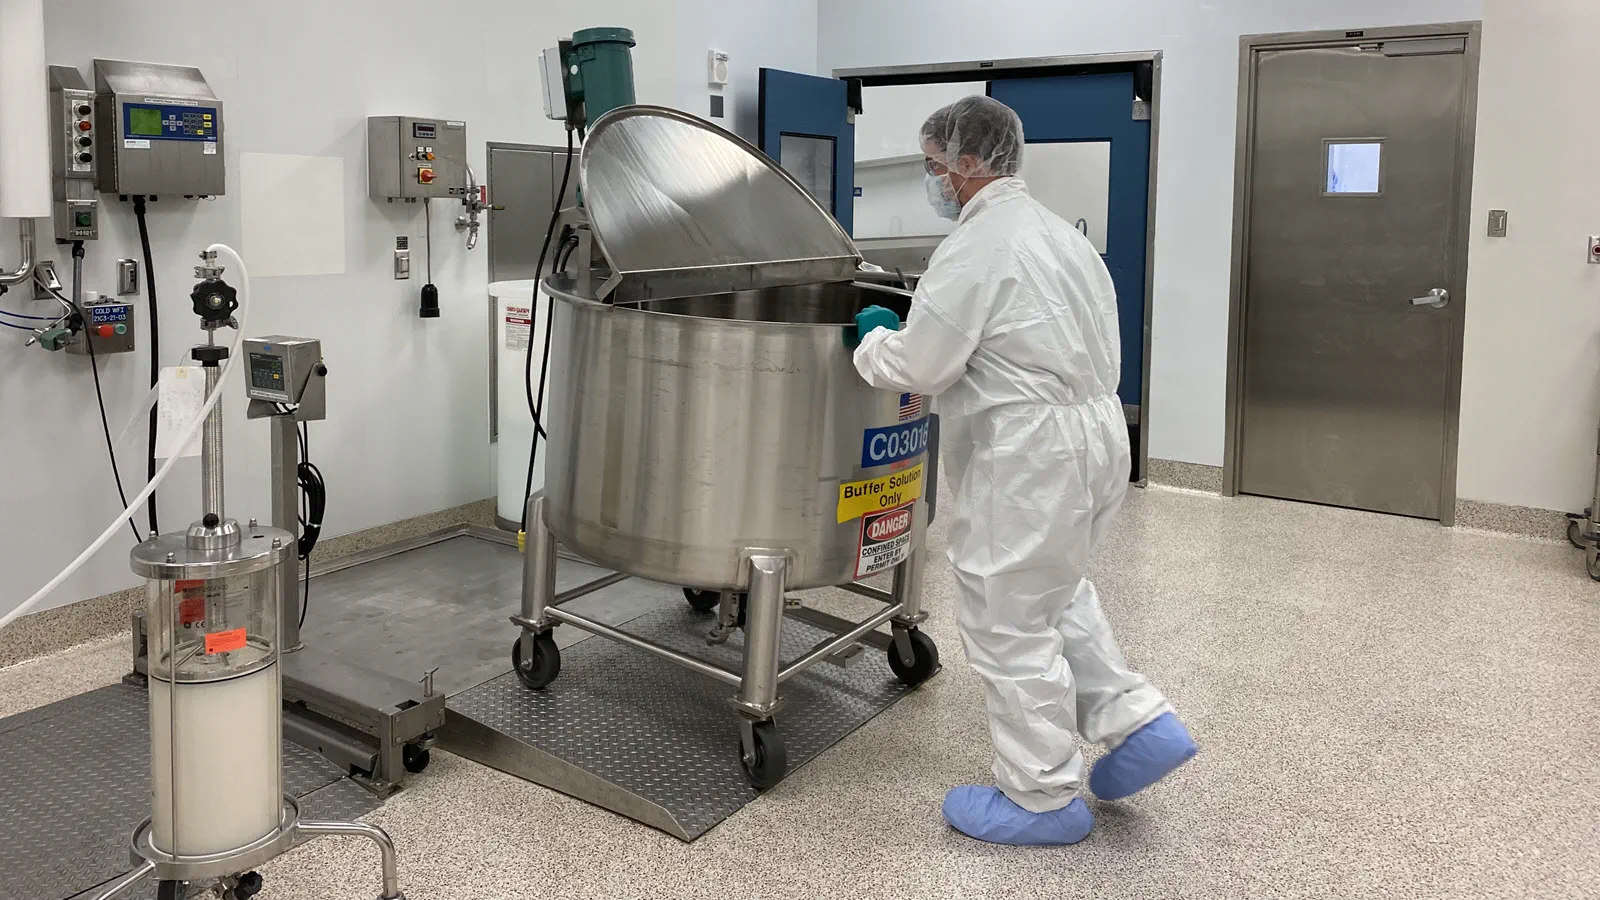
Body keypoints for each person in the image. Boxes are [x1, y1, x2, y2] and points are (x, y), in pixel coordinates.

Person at [850, 96, 1197, 846]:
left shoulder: (976, 245)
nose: (933, 179)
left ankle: (1041, 797)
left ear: (969, 162)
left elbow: (925, 366)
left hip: (1031, 452)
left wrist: (874, 343)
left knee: (1006, 616)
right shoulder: (1058, 233)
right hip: (1097, 432)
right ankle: (1137, 723)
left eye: (935, 164)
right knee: (1054, 589)